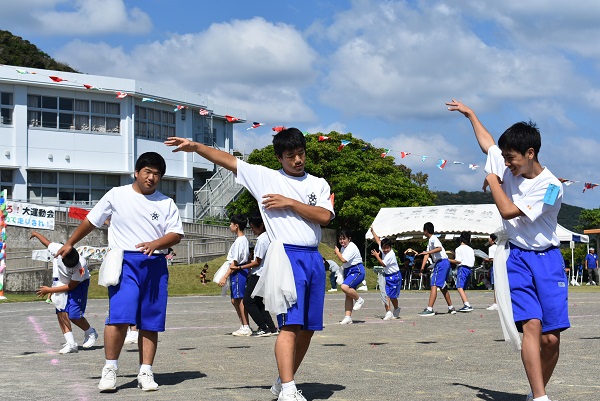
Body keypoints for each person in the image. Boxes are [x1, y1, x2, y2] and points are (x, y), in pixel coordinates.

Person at [165, 128, 334, 401]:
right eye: (290, 156)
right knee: (290, 324)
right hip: (287, 257)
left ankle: (283, 380)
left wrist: (290, 203)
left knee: (309, 328)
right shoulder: (265, 177)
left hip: (313, 257)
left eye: (301, 154)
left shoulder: (318, 183)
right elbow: (228, 161)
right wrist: (195, 146)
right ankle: (289, 390)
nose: (297, 160)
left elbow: (324, 216)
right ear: (279, 158)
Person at [448, 99, 569, 401]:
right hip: (517, 258)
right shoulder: (508, 163)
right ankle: (541, 397)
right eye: (504, 159)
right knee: (531, 326)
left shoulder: (551, 186)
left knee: (551, 339)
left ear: (530, 154)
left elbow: (508, 211)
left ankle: (534, 391)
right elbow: (488, 145)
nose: (506, 164)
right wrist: (471, 115)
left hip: (548, 260)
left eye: (511, 159)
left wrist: (491, 180)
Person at [55, 151, 184, 392]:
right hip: (124, 262)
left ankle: (145, 372)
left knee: (150, 321)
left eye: (157, 174)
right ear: (137, 172)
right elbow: (92, 220)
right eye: (147, 172)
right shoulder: (117, 194)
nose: (151, 178)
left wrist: (156, 244)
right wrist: (70, 242)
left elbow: (176, 234)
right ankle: (110, 369)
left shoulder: (166, 202)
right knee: (119, 317)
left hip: (154, 264)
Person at [31, 231, 98, 354]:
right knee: (60, 311)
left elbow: (72, 286)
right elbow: (47, 243)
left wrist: (49, 290)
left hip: (78, 285)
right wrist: (36, 234)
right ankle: (71, 343)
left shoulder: (80, 266)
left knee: (74, 315)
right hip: (62, 283)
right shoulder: (58, 249)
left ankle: (90, 332)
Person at [241, 214, 278, 337]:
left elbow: (257, 262)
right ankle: (271, 327)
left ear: (261, 225)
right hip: (264, 273)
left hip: (259, 274)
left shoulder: (262, 239)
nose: (252, 230)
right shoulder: (268, 237)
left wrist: (241, 267)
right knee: (257, 301)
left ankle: (263, 327)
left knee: (248, 300)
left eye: (253, 227)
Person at [218, 214, 251, 337]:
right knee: (234, 299)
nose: (229, 226)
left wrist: (224, 276)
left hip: (237, 272)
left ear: (236, 226)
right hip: (238, 272)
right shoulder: (243, 240)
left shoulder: (240, 241)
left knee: (239, 299)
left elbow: (235, 261)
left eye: (231, 224)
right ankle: (243, 324)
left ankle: (246, 326)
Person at [418, 222, 456, 316]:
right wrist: (422, 268)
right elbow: (427, 254)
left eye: (424, 230)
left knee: (434, 284)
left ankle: (430, 309)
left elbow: (439, 248)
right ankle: (451, 307)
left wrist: (429, 252)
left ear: (426, 231)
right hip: (444, 263)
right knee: (442, 286)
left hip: (441, 263)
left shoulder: (433, 238)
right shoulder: (430, 241)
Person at [334, 230, 366, 325]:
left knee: (344, 287)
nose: (342, 241)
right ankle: (348, 317)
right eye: (340, 239)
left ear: (349, 239)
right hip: (349, 271)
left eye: (344, 238)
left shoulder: (351, 246)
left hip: (357, 270)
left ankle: (359, 299)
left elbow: (343, 259)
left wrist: (337, 252)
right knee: (348, 295)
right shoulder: (344, 248)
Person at [370, 227, 402, 320]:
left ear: (390, 247)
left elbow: (383, 264)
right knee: (385, 294)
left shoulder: (390, 254)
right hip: (386, 276)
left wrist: (377, 256)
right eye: (384, 248)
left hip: (394, 276)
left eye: (387, 248)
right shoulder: (382, 247)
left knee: (392, 297)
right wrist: (372, 231)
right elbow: (378, 240)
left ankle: (396, 308)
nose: (385, 250)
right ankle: (388, 312)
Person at [448, 232, 475, 313]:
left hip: (462, 268)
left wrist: (448, 260)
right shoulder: (471, 249)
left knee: (459, 287)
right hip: (469, 269)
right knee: (463, 288)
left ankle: (467, 304)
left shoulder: (459, 249)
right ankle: (465, 303)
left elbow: (458, 261)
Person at [484, 234, 499, 310]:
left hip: (496, 267)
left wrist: (487, 259)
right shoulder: (501, 247)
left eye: (489, 238)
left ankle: (496, 303)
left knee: (496, 286)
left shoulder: (491, 248)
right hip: (503, 267)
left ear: (492, 240)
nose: (488, 240)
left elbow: (493, 259)